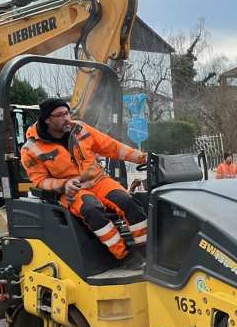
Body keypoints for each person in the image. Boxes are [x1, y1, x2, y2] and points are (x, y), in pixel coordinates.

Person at [21, 97, 148, 262]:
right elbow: (40, 180)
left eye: (67, 113)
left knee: (128, 202)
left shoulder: (81, 129)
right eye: (59, 115)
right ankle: (123, 256)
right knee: (91, 210)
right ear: (47, 120)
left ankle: (146, 252)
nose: (66, 118)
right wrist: (63, 184)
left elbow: (112, 147)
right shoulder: (31, 149)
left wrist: (141, 158)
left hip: (98, 181)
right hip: (72, 191)